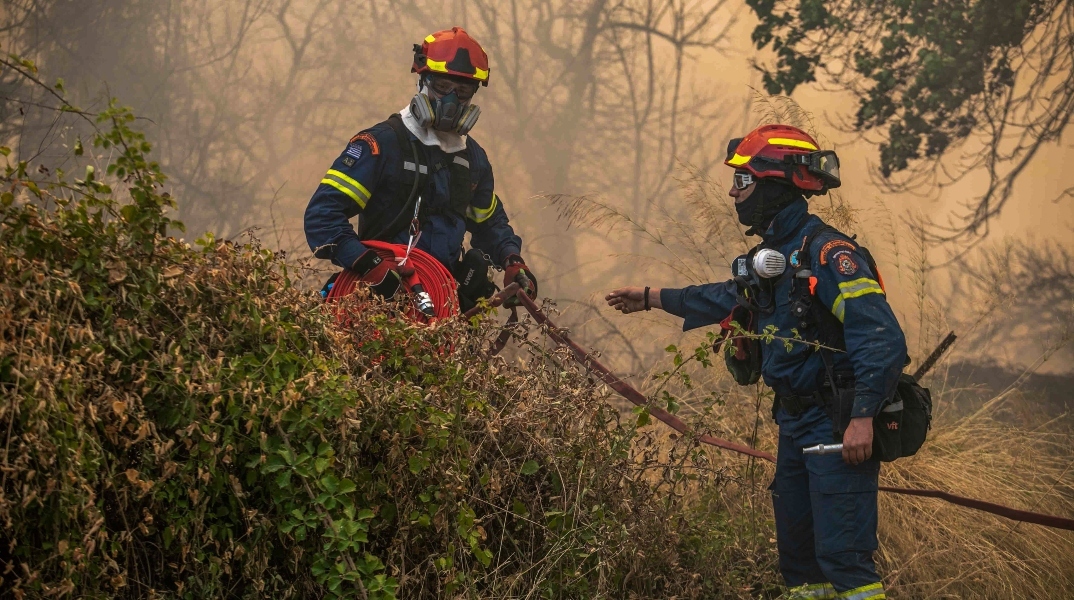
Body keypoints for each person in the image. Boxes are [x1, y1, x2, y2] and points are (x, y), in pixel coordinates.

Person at [605, 125, 904, 600]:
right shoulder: (773, 256)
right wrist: (651, 297)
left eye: (741, 182)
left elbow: (881, 337)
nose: (732, 192)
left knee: (845, 562)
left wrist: (862, 416)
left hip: (835, 424)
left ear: (772, 186)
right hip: (793, 422)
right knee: (801, 566)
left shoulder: (828, 253)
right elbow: (724, 296)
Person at [304, 27, 536, 311]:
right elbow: (322, 216)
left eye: (462, 92)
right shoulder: (382, 144)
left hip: (442, 302)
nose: (451, 101)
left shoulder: (472, 159)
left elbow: (489, 223)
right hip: (378, 300)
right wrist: (369, 265)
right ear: (422, 82)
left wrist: (512, 260)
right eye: (441, 88)